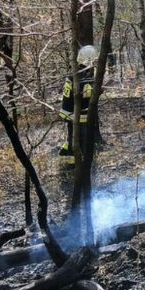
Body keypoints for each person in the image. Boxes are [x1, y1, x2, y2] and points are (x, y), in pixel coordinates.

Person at [58, 45, 96, 193]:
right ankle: (73, 164)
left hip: (67, 112)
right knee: (79, 138)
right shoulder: (83, 77)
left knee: (72, 136)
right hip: (77, 115)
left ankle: (68, 158)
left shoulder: (73, 74)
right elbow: (86, 97)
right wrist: (96, 92)